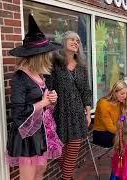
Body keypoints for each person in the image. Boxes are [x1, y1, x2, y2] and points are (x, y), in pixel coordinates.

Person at [6, 14, 63, 180]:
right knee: (28, 177)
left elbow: (43, 104)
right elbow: (18, 114)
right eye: (46, 53)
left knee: (40, 172)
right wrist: (44, 101)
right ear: (38, 55)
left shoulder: (40, 74)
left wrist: (51, 100)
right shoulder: (20, 77)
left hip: (41, 132)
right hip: (27, 136)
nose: (49, 56)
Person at [46, 31, 92, 180]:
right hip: (59, 112)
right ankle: (68, 177)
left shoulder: (82, 67)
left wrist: (88, 112)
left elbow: (86, 90)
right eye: (72, 39)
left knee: (74, 148)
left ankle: (65, 178)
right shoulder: (55, 64)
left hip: (77, 112)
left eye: (78, 41)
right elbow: (48, 86)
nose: (75, 43)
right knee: (60, 150)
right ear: (64, 42)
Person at [93, 80, 127, 148]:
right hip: (101, 133)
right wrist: (122, 133)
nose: (125, 96)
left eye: (126, 93)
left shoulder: (120, 102)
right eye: (122, 93)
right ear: (115, 92)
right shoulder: (103, 104)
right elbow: (110, 128)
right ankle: (122, 157)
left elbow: (121, 120)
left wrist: (123, 112)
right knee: (126, 138)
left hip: (114, 130)